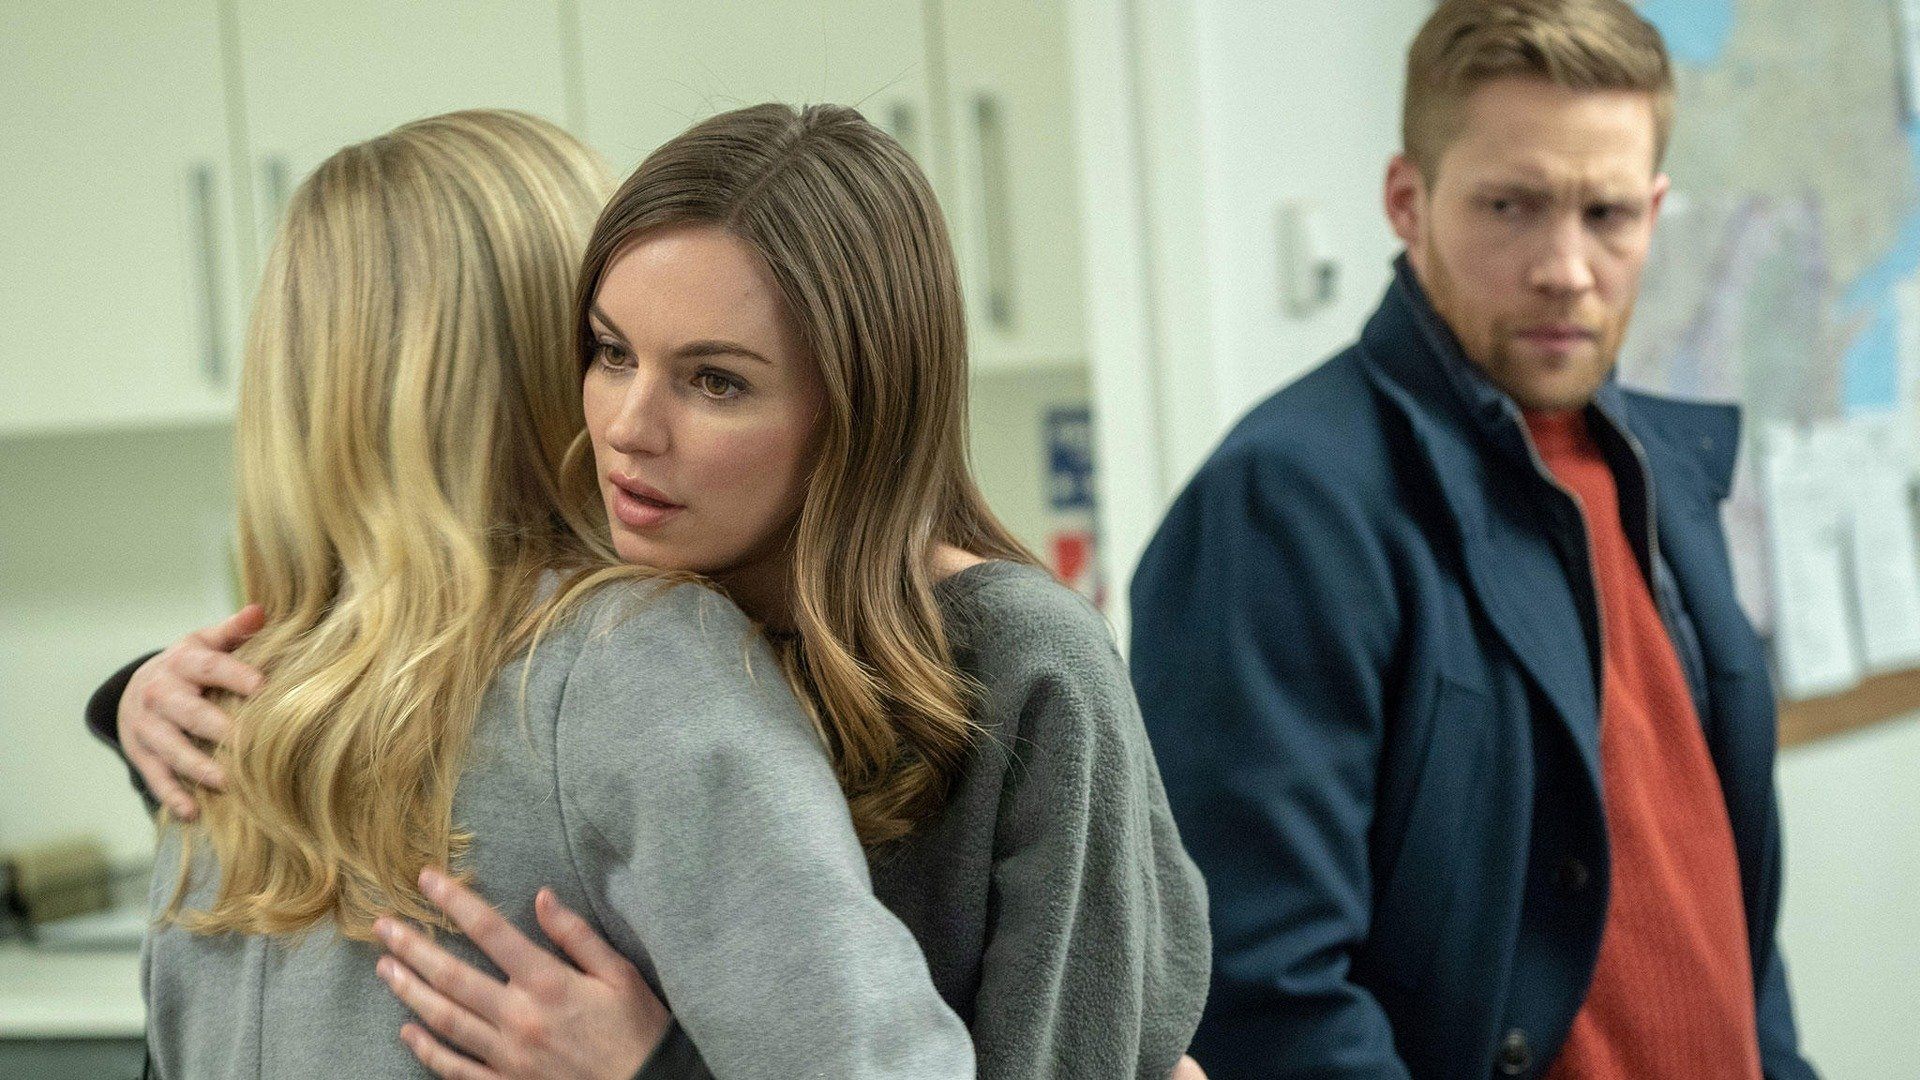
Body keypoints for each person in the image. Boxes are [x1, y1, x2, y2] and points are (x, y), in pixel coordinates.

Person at [91, 103, 1211, 1080]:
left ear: (856, 410)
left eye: (715, 380)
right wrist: (139, 698)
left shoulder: (1009, 657)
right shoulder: (621, 632)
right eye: (608, 351)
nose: (627, 428)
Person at [1129, 2, 1820, 1078]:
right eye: (1512, 206)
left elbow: (1734, 919)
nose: (1566, 267)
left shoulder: (1664, 476)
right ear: (1407, 201)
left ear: (1654, 211)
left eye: (1606, 214)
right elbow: (1264, 994)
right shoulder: (1286, 503)